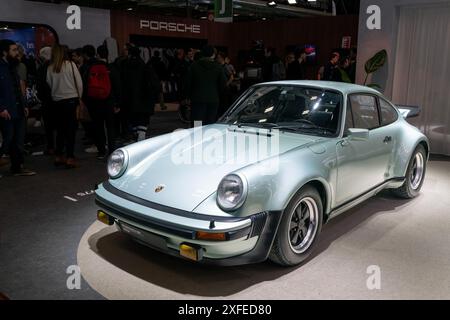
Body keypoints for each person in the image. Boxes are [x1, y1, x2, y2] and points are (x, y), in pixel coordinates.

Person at [0, 39, 36, 176]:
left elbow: (19, 88)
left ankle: (17, 168)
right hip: (6, 111)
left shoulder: (13, 66)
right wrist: (1, 108)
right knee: (7, 140)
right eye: (14, 50)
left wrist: (24, 105)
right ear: (5, 52)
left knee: (19, 141)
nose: (17, 53)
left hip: (18, 109)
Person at [46, 43, 83, 169]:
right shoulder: (71, 65)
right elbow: (79, 83)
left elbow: (49, 83)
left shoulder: (50, 67)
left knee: (60, 130)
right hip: (71, 101)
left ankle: (58, 155)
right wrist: (79, 98)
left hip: (57, 102)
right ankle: (70, 157)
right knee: (71, 131)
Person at [84, 44, 120, 159]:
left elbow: (85, 85)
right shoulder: (112, 68)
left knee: (98, 126)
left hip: (95, 102)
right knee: (110, 127)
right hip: (109, 101)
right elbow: (117, 86)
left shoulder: (90, 68)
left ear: (97, 55)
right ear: (107, 54)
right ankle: (111, 151)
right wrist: (117, 103)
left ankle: (101, 151)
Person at [122, 46, 159, 141]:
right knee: (142, 124)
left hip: (129, 102)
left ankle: (136, 139)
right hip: (145, 102)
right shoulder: (146, 66)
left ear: (129, 54)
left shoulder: (124, 66)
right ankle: (141, 140)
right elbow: (155, 84)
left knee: (134, 123)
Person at [186, 45, 227, 126]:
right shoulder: (218, 67)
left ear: (202, 54)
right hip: (213, 99)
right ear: (213, 54)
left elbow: (188, 83)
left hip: (197, 99)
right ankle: (208, 138)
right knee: (210, 123)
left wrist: (188, 96)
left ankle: (197, 138)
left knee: (197, 124)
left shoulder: (194, 66)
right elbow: (223, 84)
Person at [36, 46, 55, 155]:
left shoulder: (42, 68)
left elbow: (39, 86)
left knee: (48, 127)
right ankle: (62, 148)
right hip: (58, 99)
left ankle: (51, 147)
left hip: (46, 101)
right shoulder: (57, 66)